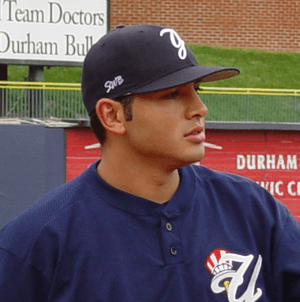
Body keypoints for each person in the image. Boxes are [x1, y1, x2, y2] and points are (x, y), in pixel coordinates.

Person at [0, 24, 300, 302]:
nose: (199, 108)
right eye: (173, 94)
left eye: (197, 90)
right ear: (113, 116)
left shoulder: (251, 208)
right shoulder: (35, 243)